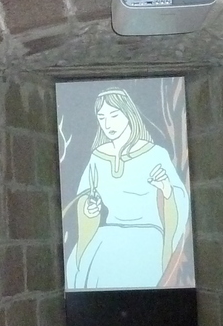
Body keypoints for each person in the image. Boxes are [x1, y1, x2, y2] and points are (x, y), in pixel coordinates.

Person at [64, 86, 190, 290]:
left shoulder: (155, 154)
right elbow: (85, 198)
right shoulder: (97, 157)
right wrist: (89, 209)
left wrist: (165, 189)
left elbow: (177, 198)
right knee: (83, 264)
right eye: (102, 117)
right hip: (107, 233)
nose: (108, 123)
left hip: (147, 235)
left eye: (114, 115)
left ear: (129, 114)